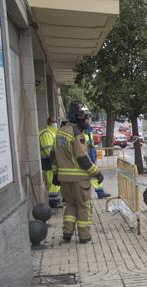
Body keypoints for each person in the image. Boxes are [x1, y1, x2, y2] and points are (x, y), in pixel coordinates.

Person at [52, 101, 104, 244]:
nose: (86, 120)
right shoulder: (76, 134)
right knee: (84, 207)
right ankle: (84, 236)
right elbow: (83, 160)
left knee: (70, 205)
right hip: (79, 180)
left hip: (64, 180)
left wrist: (56, 175)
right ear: (76, 117)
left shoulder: (60, 132)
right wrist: (97, 173)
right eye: (84, 117)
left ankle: (67, 232)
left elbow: (53, 156)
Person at [38, 115, 62, 208]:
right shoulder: (47, 133)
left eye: (56, 122)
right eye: (53, 122)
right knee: (52, 182)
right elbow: (48, 151)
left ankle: (55, 200)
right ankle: (53, 202)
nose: (55, 124)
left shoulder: (53, 133)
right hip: (49, 163)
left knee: (55, 182)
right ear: (49, 123)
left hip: (52, 162)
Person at [84, 123, 111, 198]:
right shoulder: (82, 134)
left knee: (94, 176)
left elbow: (92, 147)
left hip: (90, 158)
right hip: (85, 159)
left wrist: (94, 156)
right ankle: (100, 193)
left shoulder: (89, 133)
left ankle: (100, 192)